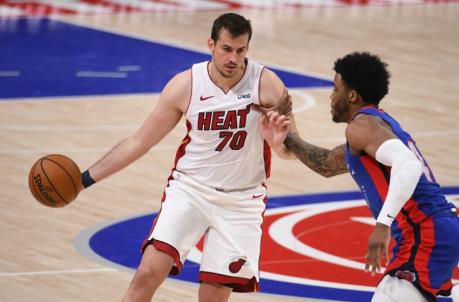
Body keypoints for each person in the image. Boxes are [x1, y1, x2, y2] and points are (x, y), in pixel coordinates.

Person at [79, 13, 291, 302]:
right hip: (191, 190)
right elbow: (139, 142)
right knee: (147, 274)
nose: (233, 58)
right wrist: (83, 180)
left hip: (242, 202)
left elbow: (291, 150)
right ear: (211, 45)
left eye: (241, 51)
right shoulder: (185, 85)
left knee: (213, 297)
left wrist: (278, 144)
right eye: (227, 49)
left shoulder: (267, 84)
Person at [261, 52, 459, 302]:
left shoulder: (362, 127)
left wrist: (382, 224)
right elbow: (327, 165)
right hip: (435, 230)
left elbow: (409, 166)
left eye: (335, 89)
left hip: (425, 233)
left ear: (351, 95)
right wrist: (286, 135)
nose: (332, 97)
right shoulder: (373, 127)